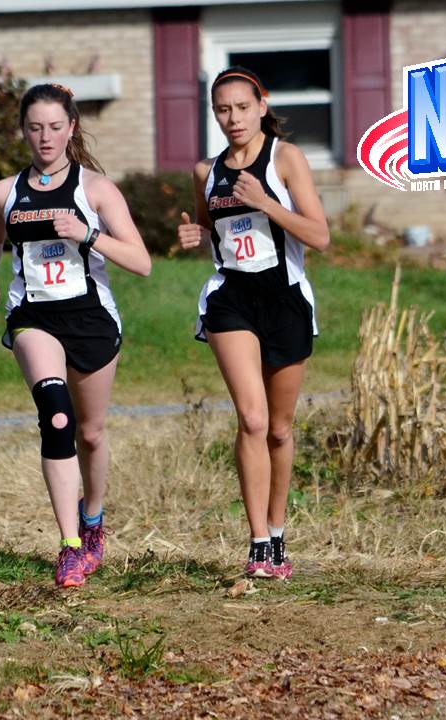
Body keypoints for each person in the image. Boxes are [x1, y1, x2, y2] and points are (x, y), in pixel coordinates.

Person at [0, 83, 151, 588]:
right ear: (23, 131)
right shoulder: (4, 193)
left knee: (91, 433)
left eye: (55, 127)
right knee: (56, 417)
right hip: (35, 318)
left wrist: (87, 234)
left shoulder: (96, 190)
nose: (45, 137)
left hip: (92, 320)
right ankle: (70, 545)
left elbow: (141, 262)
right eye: (35, 128)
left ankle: (93, 520)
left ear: (71, 127)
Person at [176, 67, 329, 580]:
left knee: (281, 430)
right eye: (223, 109)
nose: (233, 118)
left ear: (261, 106)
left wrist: (265, 203)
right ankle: (258, 542)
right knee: (253, 420)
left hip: (284, 298)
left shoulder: (286, 158)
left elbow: (320, 235)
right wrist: (196, 237)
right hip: (232, 301)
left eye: (242, 107)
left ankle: (279, 533)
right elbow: (209, 227)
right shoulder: (206, 171)